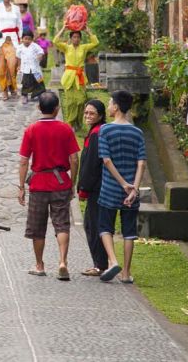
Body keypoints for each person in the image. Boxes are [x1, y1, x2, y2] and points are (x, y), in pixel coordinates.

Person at [18, 91, 80, 281]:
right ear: (57, 109)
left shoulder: (31, 129)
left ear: (39, 108)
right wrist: (72, 182)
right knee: (61, 224)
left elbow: (23, 161)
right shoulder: (66, 129)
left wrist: (21, 187)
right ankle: (62, 261)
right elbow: (74, 158)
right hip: (60, 182)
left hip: (38, 184)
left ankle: (39, 265)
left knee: (37, 227)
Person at [98, 90, 147, 284]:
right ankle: (126, 273)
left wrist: (122, 183)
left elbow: (107, 161)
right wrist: (133, 188)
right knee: (129, 232)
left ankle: (113, 261)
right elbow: (141, 163)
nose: (109, 106)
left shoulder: (105, 130)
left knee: (105, 227)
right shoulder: (137, 132)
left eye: (110, 103)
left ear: (116, 107)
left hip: (110, 187)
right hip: (131, 192)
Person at [77, 99, 108, 276]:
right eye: (86, 113)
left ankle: (100, 264)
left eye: (92, 113)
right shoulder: (96, 131)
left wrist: (83, 189)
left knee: (93, 225)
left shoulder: (97, 133)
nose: (88, 116)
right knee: (93, 223)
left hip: (96, 188)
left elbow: (90, 165)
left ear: (101, 116)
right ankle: (101, 262)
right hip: (97, 187)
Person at [53, 26, 99, 131]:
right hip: (69, 77)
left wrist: (88, 31)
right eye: (74, 37)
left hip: (80, 76)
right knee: (70, 102)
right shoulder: (66, 47)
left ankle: (78, 121)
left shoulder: (84, 47)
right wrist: (63, 28)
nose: (76, 39)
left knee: (81, 101)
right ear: (70, 38)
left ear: (80, 39)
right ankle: (70, 123)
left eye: (78, 37)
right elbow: (55, 41)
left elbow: (96, 43)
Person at [16, 29, 46, 104]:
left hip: (35, 68)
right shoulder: (20, 48)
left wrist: (40, 56)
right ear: (22, 39)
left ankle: (39, 94)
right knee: (26, 83)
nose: (27, 41)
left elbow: (41, 52)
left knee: (39, 82)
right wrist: (19, 65)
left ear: (32, 39)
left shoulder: (35, 46)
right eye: (25, 39)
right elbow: (18, 57)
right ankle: (24, 95)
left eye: (29, 39)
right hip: (25, 69)